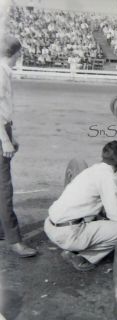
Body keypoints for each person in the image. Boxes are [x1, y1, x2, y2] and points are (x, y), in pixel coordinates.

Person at [44, 141, 117, 271]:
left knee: (99, 219)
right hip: (67, 235)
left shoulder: (91, 170)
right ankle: (84, 257)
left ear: (103, 156)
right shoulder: (108, 178)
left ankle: (72, 249)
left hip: (50, 225)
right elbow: (116, 216)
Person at [0, 35, 38, 257]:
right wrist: (5, 139)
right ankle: (14, 240)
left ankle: (3, 230)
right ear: (15, 54)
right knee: (4, 188)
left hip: (5, 128)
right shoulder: (1, 74)